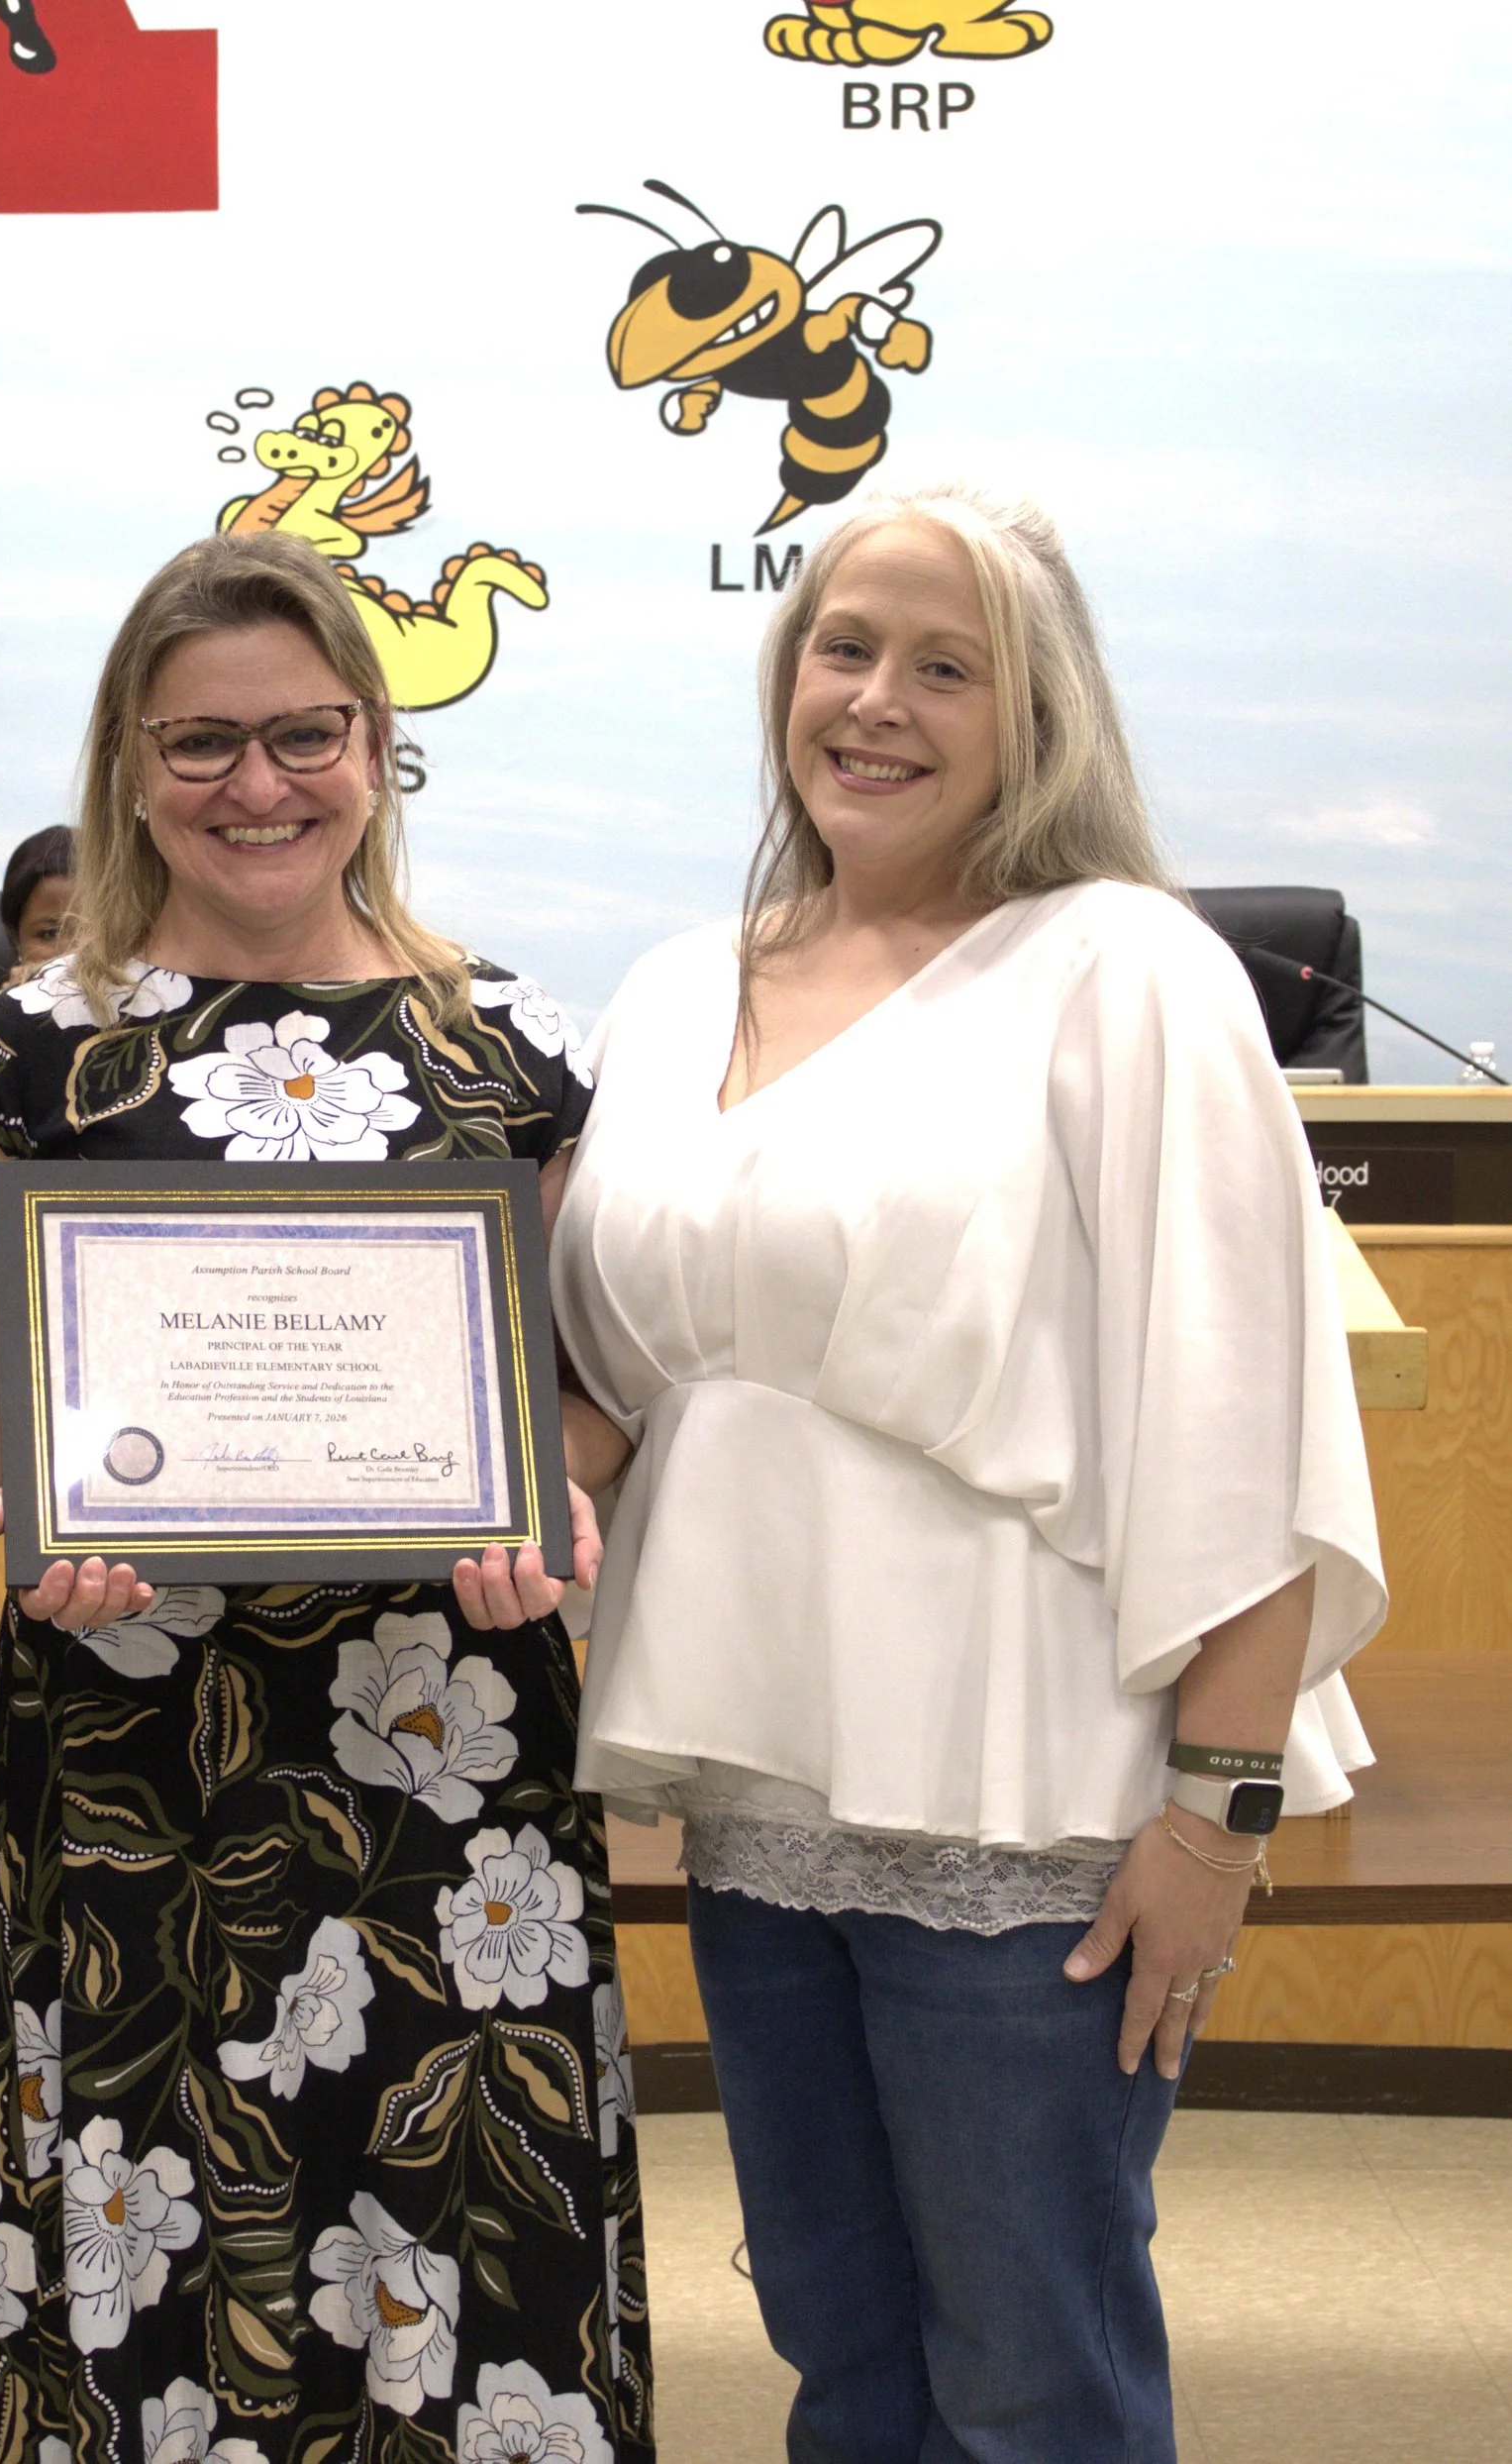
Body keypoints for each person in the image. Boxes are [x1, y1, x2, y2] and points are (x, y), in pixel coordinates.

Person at [551, 483, 1386, 2463]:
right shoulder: (681, 981)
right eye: (844, 647)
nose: (878, 700)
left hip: (1042, 1824)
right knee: (842, 2357)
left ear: (1037, 717)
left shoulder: (1124, 968)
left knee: (1028, 2381)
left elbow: (1244, 1406)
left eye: (947, 666)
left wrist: (1214, 1818)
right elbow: (615, 1386)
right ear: (784, 673)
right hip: (755, 1800)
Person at [0, 532, 654, 2464]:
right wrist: (35, 1508)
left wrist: (542, 1505)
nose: (256, 784)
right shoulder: (19, 1061)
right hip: (134, 1774)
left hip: (446, 1772)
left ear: (374, 743)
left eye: (302, 733)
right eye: (201, 741)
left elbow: (580, 1410)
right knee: (149, 2245)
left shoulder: (517, 1057)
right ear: (127, 763)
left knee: (453, 2255)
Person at [0, 822, 74, 984]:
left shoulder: (140, 1004)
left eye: (93, 932)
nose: (72, 956)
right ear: (17, 939)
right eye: (51, 933)